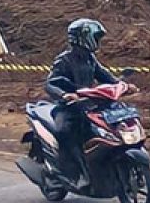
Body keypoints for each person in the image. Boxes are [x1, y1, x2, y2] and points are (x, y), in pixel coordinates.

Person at [44, 19, 120, 187]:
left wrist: (122, 84)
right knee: (65, 132)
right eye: (96, 37)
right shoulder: (64, 60)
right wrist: (65, 95)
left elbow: (105, 75)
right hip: (68, 108)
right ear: (83, 38)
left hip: (88, 105)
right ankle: (69, 171)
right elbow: (50, 83)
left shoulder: (90, 58)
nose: (98, 42)